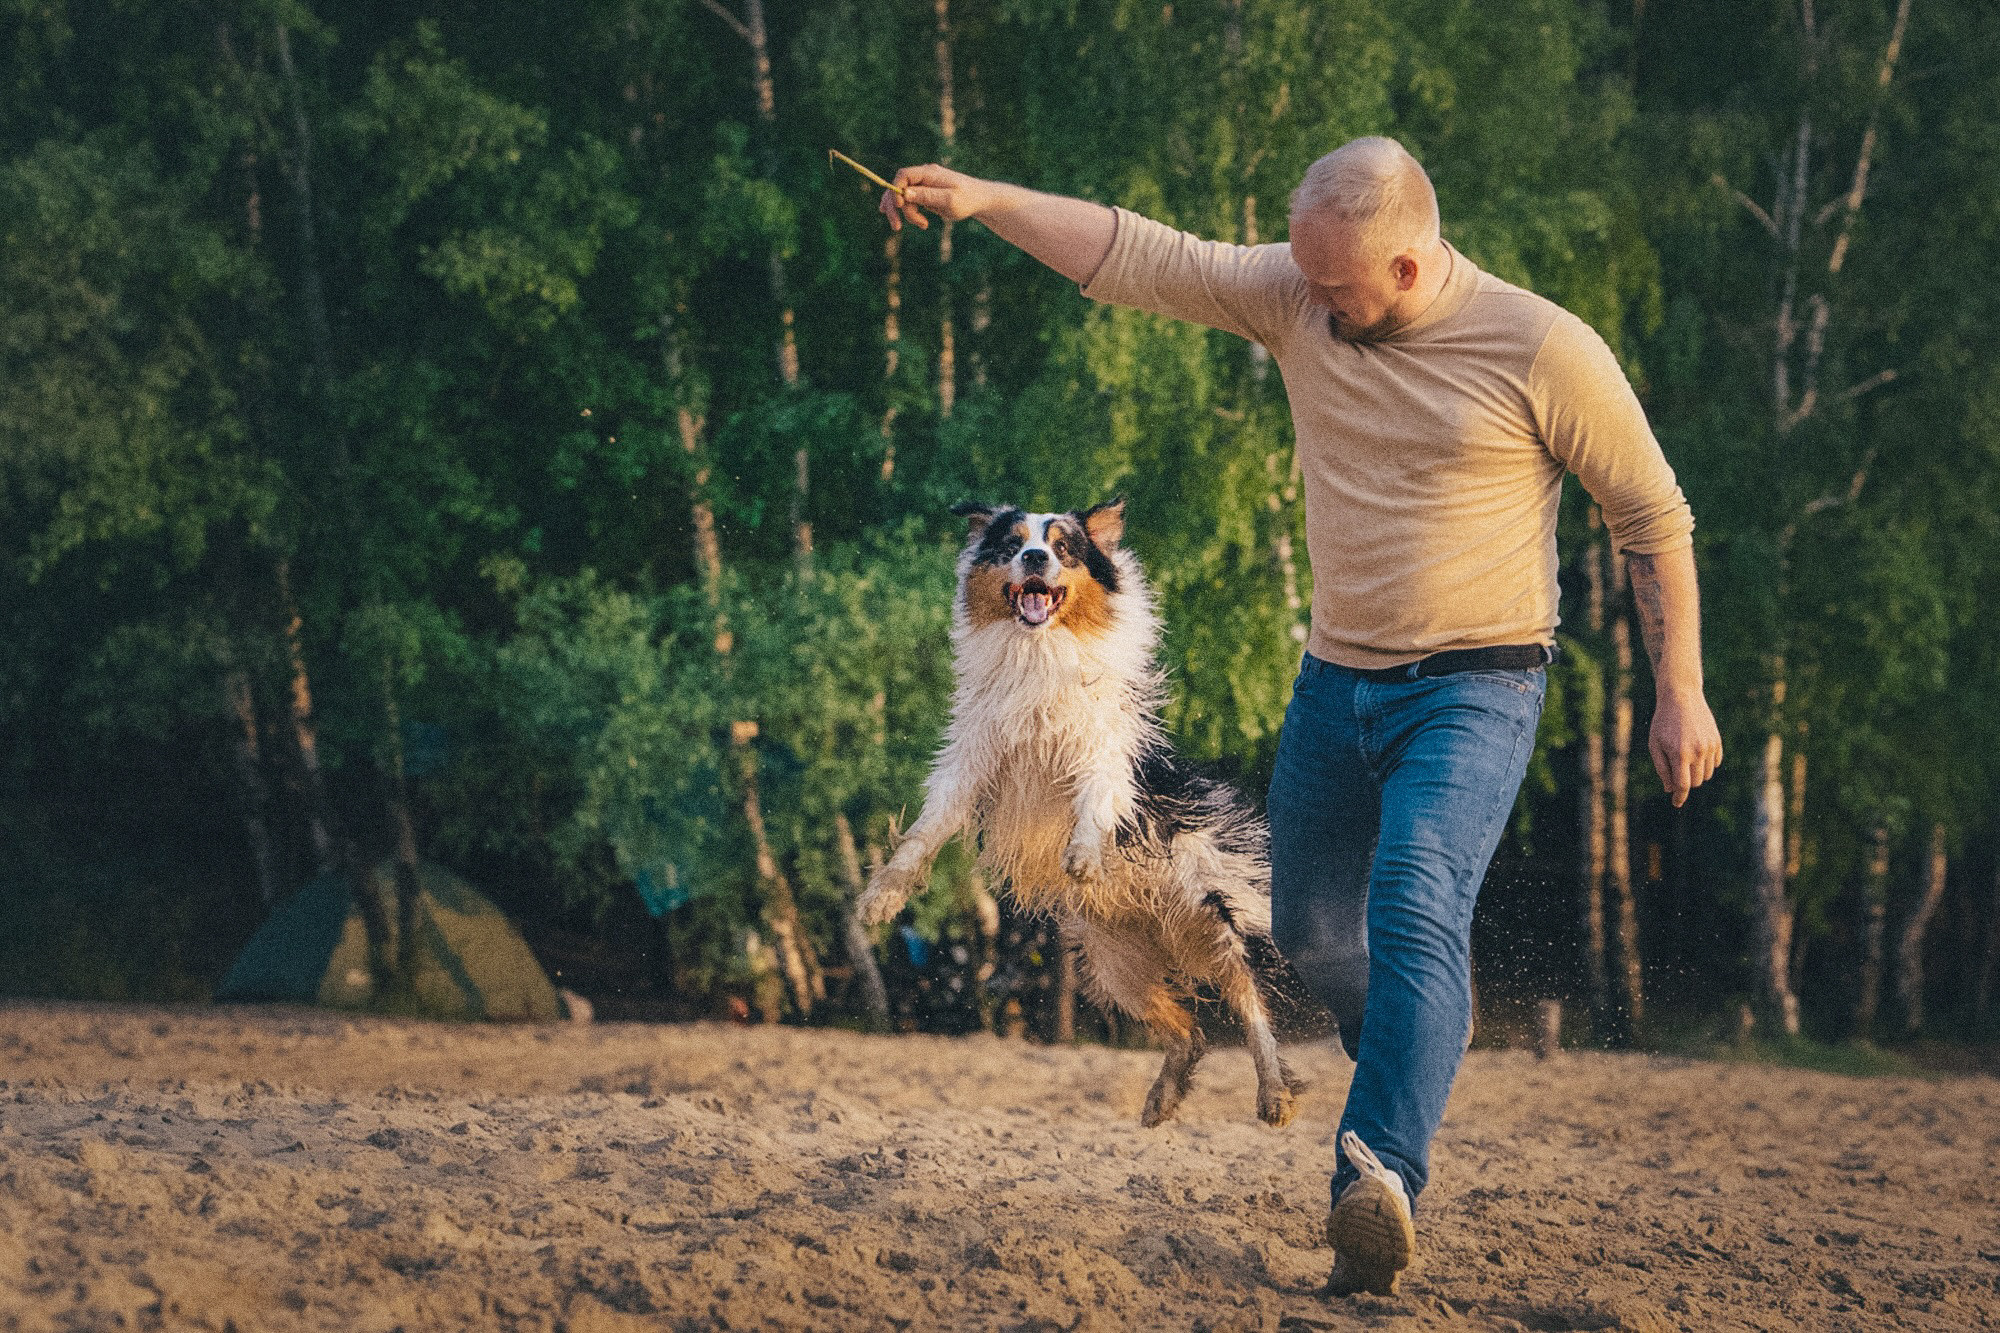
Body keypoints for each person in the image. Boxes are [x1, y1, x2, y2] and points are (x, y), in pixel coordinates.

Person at [878, 137, 1722, 1296]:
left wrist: (1677, 686)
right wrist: (984, 199)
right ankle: (1421, 1045)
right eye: (1301, 277)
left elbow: (1651, 516)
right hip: (1333, 684)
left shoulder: (1541, 347)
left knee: (1415, 895)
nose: (1310, 303)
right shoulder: (1296, 290)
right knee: (1317, 935)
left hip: (1476, 688)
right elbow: (1140, 257)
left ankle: (1374, 1178)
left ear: (1412, 265)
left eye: (1336, 286)